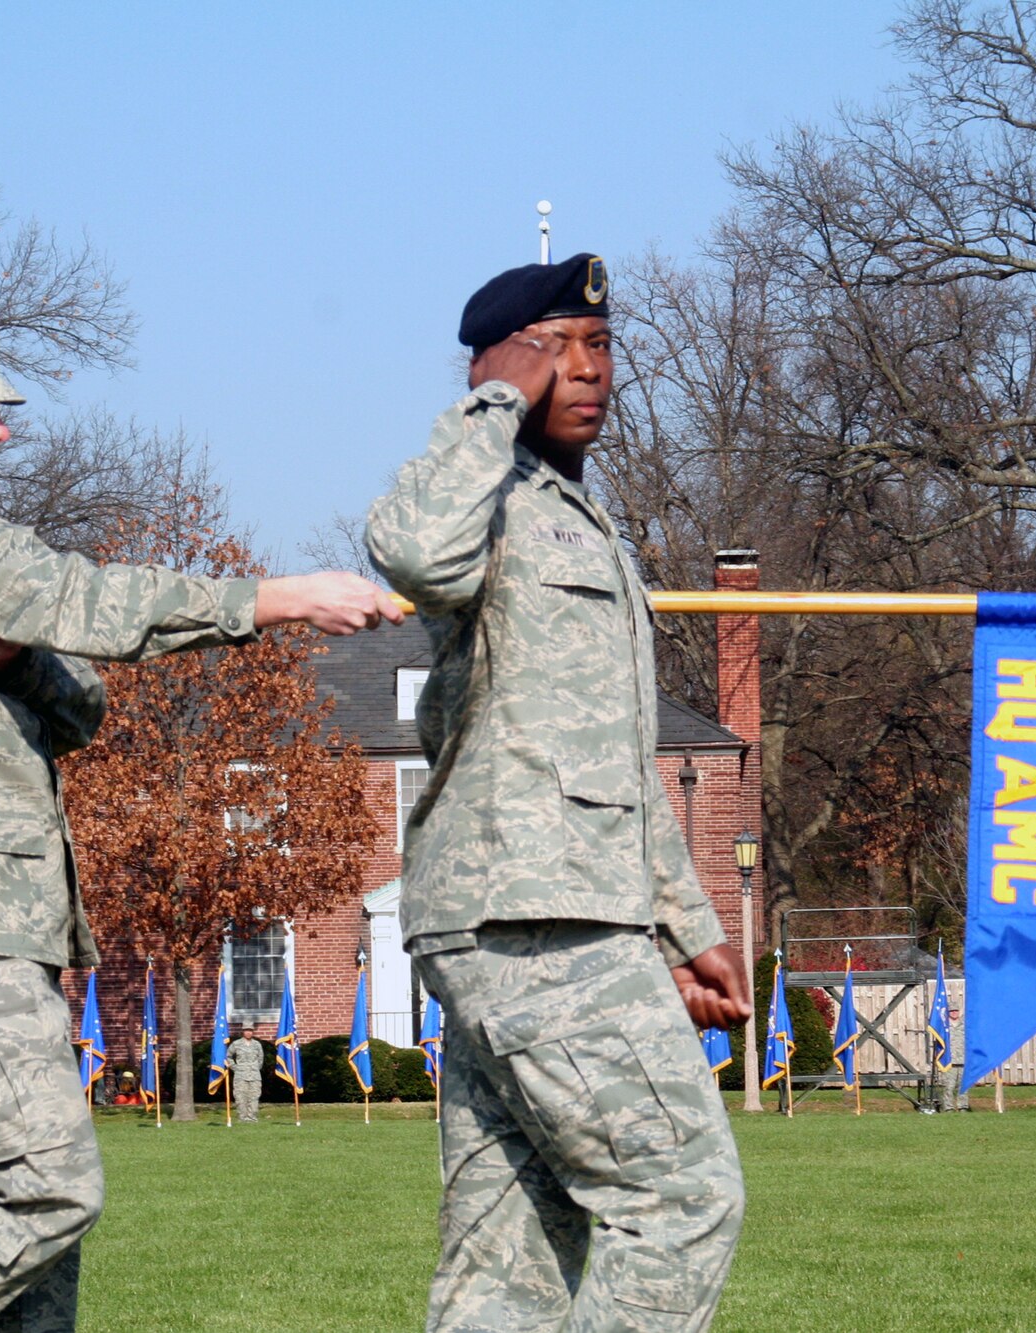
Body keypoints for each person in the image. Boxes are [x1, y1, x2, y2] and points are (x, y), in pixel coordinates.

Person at [0, 301, 400, 1332]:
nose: (0, 430)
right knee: (39, 1191)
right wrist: (276, 598)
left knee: (30, 1252)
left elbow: (79, 698)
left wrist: (9, 648)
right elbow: (77, 598)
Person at [366, 254, 752, 1332]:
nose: (583, 369)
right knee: (678, 1197)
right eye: (551, 346)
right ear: (491, 367)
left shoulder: (579, 521)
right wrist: (495, 399)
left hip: (557, 909)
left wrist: (683, 922)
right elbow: (407, 549)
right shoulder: (479, 495)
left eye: (598, 344)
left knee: (509, 1257)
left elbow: (622, 762)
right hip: (528, 915)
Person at [229, 1023, 264, 1122]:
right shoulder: (236, 1044)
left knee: (254, 1097)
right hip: (240, 1075)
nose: (248, 1032)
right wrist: (235, 1067)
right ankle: (242, 1117)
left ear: (252, 1032)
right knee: (240, 1097)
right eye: (246, 1030)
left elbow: (260, 1059)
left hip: (255, 1076)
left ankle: (252, 1117)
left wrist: (255, 1068)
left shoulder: (257, 1044)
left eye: (250, 1030)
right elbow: (228, 1057)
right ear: (243, 1032)